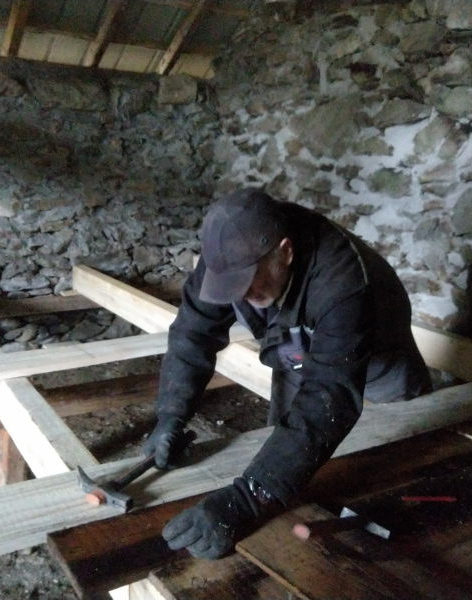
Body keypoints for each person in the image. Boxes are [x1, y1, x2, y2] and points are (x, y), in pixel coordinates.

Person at [143, 188, 432, 559]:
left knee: (397, 460)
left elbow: (331, 395)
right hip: (295, 346)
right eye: (231, 286)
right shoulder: (226, 257)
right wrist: (170, 414)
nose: (240, 295)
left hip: (378, 360)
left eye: (249, 281)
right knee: (289, 462)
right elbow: (192, 334)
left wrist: (248, 499)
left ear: (286, 251)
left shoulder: (341, 280)